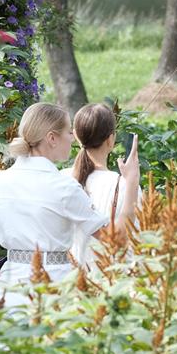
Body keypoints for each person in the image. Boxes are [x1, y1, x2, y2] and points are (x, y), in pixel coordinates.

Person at [0, 102, 140, 309]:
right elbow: (116, 242)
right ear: (52, 138)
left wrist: (3, 277)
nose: (73, 139)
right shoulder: (64, 187)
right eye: (68, 132)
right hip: (55, 296)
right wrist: (132, 183)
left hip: (9, 297)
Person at [61, 103, 143, 270]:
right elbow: (137, 240)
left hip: (69, 283)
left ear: (76, 135)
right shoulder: (127, 186)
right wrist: (132, 182)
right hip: (110, 283)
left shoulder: (61, 179)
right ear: (111, 139)